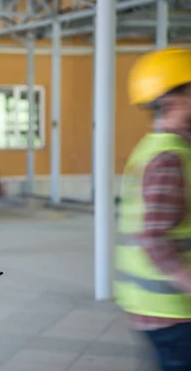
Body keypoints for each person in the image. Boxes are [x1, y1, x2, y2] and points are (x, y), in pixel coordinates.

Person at [115, 47, 191, 371]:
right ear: (174, 100)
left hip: (157, 306)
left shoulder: (157, 147)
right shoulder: (168, 158)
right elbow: (155, 238)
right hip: (171, 310)